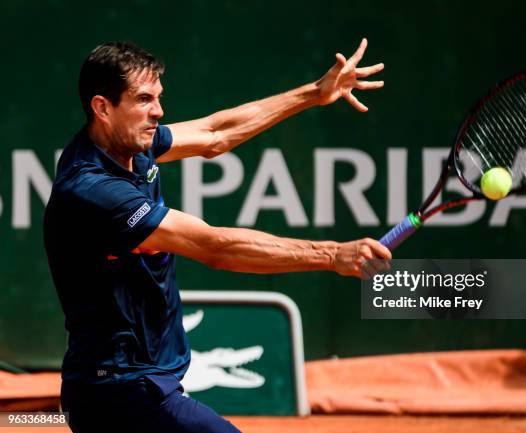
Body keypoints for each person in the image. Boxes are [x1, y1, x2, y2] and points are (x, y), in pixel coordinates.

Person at [43, 40, 390, 433]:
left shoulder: (127, 145)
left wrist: (314, 93)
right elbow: (215, 246)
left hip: (130, 385)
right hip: (123, 391)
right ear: (103, 107)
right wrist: (330, 254)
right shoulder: (94, 189)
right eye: (143, 99)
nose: (158, 111)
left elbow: (214, 134)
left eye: (158, 97)